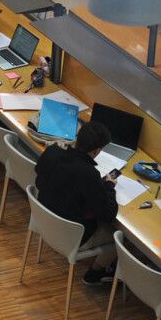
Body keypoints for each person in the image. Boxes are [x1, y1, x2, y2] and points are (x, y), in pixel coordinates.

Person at [34, 121, 119, 284]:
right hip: (70, 238)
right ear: (96, 151)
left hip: (43, 222)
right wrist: (108, 186)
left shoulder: (51, 153)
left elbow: (40, 177)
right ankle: (95, 274)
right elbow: (109, 213)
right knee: (117, 235)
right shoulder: (89, 174)